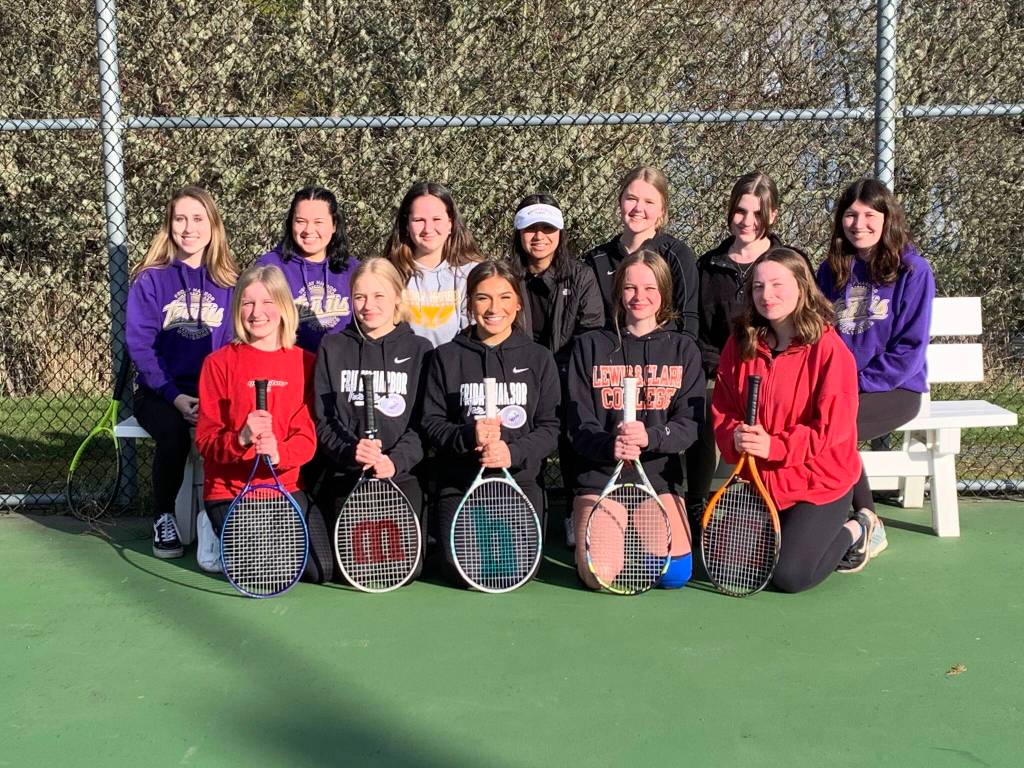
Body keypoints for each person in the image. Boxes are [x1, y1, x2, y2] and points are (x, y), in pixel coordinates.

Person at [712, 247, 870, 593]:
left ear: (802, 286)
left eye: (777, 285)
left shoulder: (830, 351)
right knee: (727, 566)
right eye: (757, 287)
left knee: (789, 577)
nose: (766, 295)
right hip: (761, 483)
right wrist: (733, 437)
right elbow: (723, 410)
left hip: (819, 483)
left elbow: (832, 432)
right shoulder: (739, 345)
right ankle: (786, 530)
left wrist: (774, 446)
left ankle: (857, 528)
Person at [567, 250, 704, 590]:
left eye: (649, 289)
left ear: (664, 294)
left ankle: (632, 534)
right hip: (600, 479)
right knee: (601, 577)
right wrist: (609, 444)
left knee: (674, 575)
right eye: (629, 288)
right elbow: (577, 423)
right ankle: (601, 533)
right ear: (618, 292)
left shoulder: (683, 349)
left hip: (656, 480)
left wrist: (652, 437)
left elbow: (689, 425)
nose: (639, 297)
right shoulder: (590, 346)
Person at [420, 260, 560, 587]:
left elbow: (550, 428)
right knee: (463, 573)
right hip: (460, 483)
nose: (494, 308)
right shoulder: (446, 357)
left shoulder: (539, 358)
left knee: (515, 574)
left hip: (518, 483)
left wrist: (513, 453)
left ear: (518, 303)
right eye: (483, 298)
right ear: (469, 303)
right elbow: (432, 423)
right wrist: (468, 435)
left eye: (504, 297)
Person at [816, 179, 935, 557]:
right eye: (851, 214)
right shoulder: (829, 270)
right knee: (819, 421)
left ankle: (868, 519)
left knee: (837, 426)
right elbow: (818, 335)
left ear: (888, 219)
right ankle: (823, 514)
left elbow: (909, 350)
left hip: (895, 390)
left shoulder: (913, 270)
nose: (859, 223)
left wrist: (855, 384)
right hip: (840, 390)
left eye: (870, 214)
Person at [195, 265, 332, 583]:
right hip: (230, 491)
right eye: (247, 303)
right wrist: (240, 439)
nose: (257, 313)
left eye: (267, 302)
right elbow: (205, 439)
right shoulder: (218, 364)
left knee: (320, 570)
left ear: (283, 307)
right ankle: (212, 526)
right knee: (269, 576)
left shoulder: (305, 363)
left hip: (284, 487)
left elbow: (306, 437)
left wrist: (281, 452)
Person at [689, 171, 811, 522]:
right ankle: (697, 505)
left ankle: (784, 501)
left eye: (758, 214)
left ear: (772, 216)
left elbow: (806, 323)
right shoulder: (708, 265)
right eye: (740, 211)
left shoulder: (789, 261)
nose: (746, 221)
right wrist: (719, 368)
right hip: (720, 373)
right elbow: (696, 331)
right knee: (701, 401)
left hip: (777, 371)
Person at [126, 186, 238, 559]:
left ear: (213, 226)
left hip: (211, 392)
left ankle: (220, 520)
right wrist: (174, 396)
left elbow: (234, 346)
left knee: (231, 431)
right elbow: (141, 346)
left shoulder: (230, 282)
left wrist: (212, 396)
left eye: (197, 219)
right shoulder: (150, 280)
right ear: (169, 225)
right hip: (159, 393)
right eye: (180, 219)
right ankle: (164, 516)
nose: (188, 228)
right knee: (173, 436)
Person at [313, 258, 433, 582]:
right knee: (340, 570)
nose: (368, 306)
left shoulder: (420, 350)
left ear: (397, 296)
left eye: (378, 296)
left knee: (406, 571)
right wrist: (351, 452)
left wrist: (395, 462)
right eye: (360, 297)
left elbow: (423, 425)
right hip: (347, 474)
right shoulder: (333, 346)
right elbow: (323, 421)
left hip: (399, 477)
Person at [509, 193, 605, 547]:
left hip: (568, 377)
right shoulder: (507, 276)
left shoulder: (581, 276)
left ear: (560, 232)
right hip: (519, 379)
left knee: (575, 433)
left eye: (547, 228)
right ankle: (518, 509)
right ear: (518, 233)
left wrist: (557, 376)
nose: (539, 236)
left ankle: (572, 514)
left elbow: (590, 335)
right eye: (531, 228)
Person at [584, 165, 699, 338]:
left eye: (649, 202)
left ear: (662, 210)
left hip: (664, 357)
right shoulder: (597, 259)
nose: (638, 208)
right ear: (620, 202)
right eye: (631, 198)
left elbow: (688, 319)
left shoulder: (677, 255)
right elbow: (591, 322)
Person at [256, 186, 355, 354]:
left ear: (334, 225)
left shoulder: (352, 269)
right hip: (289, 366)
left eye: (318, 222)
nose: (308, 230)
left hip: (340, 367)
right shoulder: (269, 267)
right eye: (301, 221)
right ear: (290, 223)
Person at [383, 181, 482, 348]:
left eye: (436, 219)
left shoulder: (472, 273)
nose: (428, 228)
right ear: (407, 224)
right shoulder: (389, 273)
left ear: (451, 223)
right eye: (419, 220)